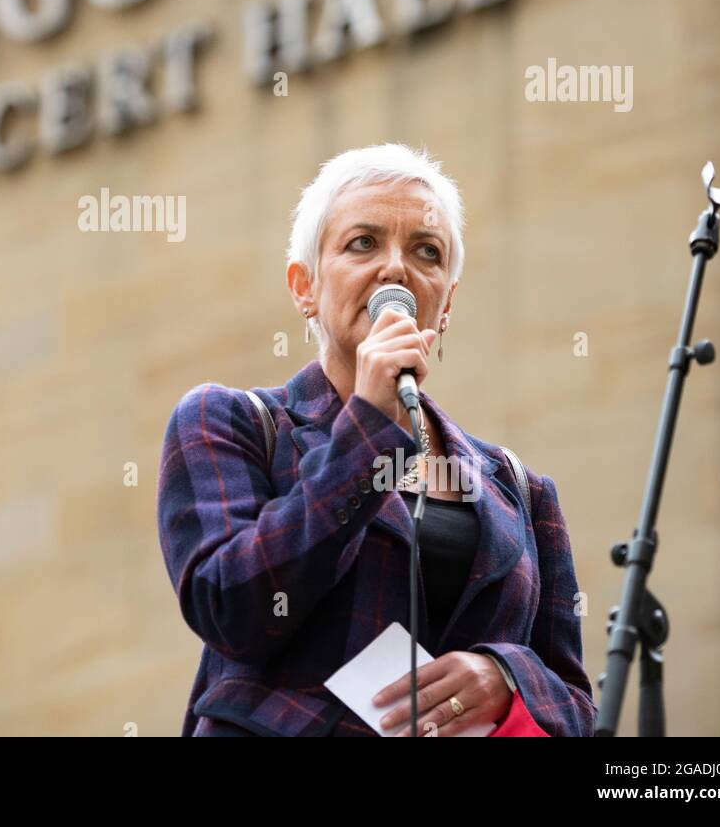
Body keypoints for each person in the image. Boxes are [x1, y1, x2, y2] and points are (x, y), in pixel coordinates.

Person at [156, 143, 596, 736]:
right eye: (363, 243)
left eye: (426, 251)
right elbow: (232, 609)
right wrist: (368, 427)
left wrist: (505, 675)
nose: (395, 269)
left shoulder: (519, 488)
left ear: (446, 305)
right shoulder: (230, 422)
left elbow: (579, 707)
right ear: (304, 287)